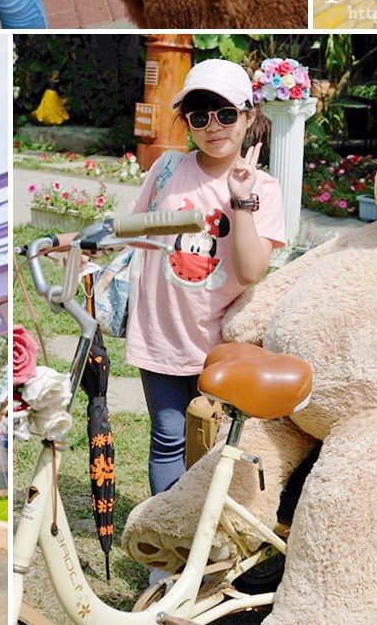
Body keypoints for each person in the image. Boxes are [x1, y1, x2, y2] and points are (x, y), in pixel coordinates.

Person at [125, 57, 284, 497]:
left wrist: (241, 200)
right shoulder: (168, 170)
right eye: (199, 115)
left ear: (248, 117)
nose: (214, 126)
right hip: (161, 334)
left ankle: (209, 546)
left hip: (221, 345)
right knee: (167, 440)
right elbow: (135, 231)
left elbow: (253, 270)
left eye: (226, 113)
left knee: (217, 447)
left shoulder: (263, 189)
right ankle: (168, 550)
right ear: (188, 123)